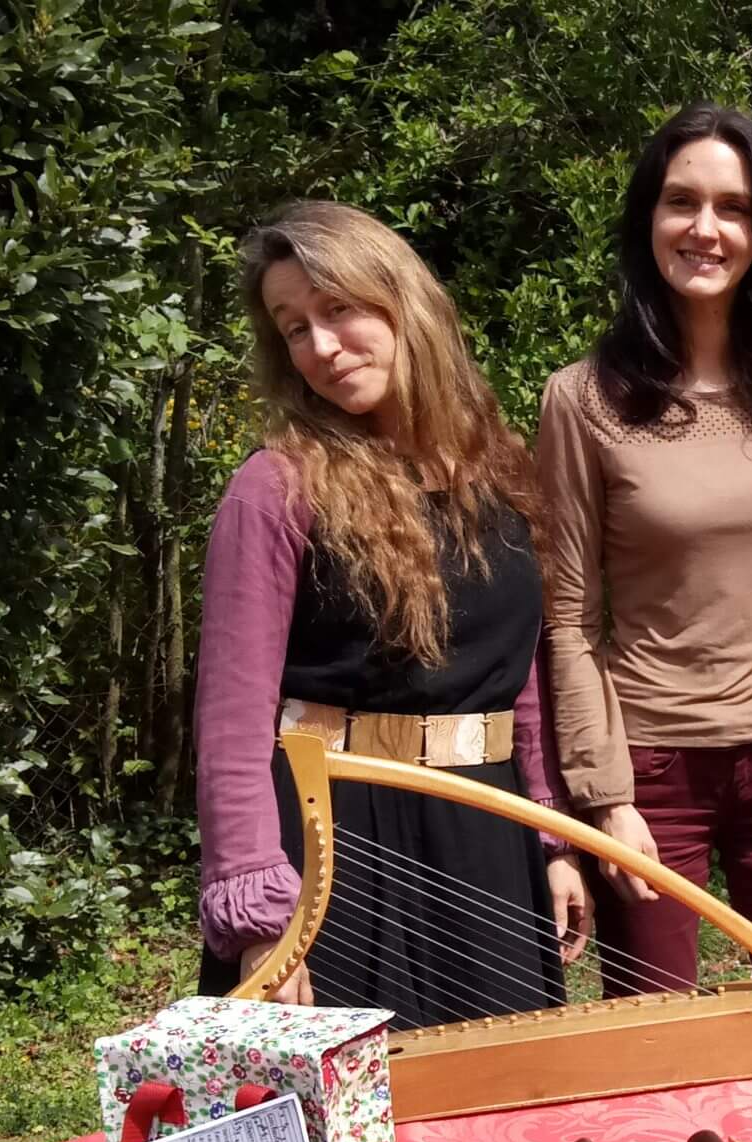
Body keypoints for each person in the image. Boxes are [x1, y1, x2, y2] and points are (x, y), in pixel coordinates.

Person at [195, 200, 589, 1026]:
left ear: (403, 300)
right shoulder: (275, 487)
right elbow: (233, 727)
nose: (321, 348)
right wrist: (263, 918)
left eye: (338, 309)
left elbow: (516, 678)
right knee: (348, 1135)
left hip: (487, 829)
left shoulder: (499, 469)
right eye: (293, 326)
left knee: (494, 1113)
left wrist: (548, 839)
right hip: (333, 844)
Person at [536, 104, 752, 996]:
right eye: (680, 202)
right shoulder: (584, 400)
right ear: (647, 221)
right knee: (657, 1035)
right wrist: (604, 797)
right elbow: (569, 618)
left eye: (732, 207)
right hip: (652, 767)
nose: (705, 228)